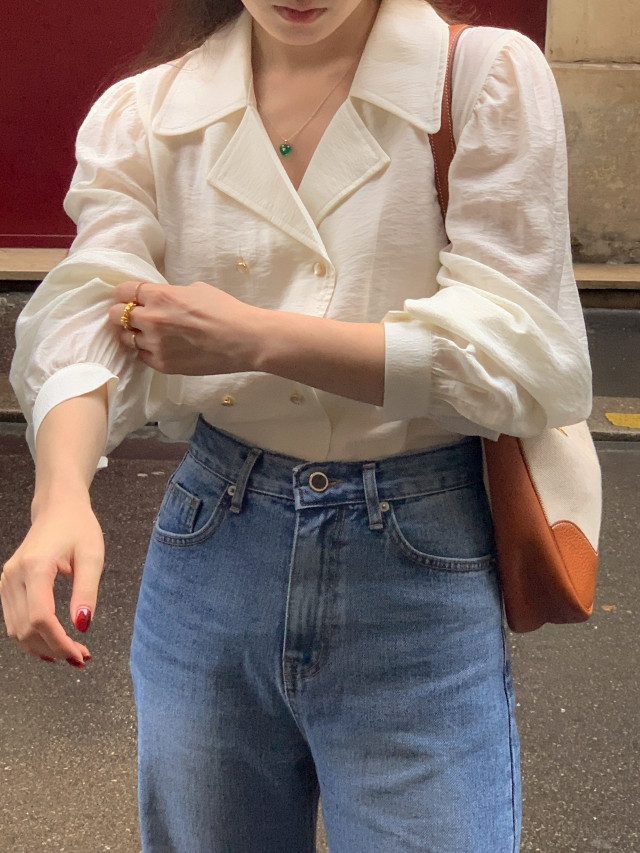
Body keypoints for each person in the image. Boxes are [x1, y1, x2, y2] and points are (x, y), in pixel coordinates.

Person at [1, 0, 592, 850]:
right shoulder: (151, 110)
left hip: (416, 553)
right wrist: (59, 494)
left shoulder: (479, 78)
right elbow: (91, 307)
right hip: (215, 540)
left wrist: (255, 337)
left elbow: (523, 359)